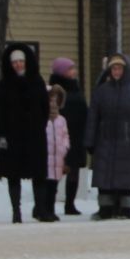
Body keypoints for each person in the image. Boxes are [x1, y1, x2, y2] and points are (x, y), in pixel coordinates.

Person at [0, 44, 54, 223]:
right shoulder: (4, 85)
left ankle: (41, 209)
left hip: (34, 136)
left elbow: (44, 107)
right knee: (14, 175)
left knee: (39, 174)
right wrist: (1, 135)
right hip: (13, 137)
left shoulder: (37, 82)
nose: (18, 65)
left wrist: (39, 126)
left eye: (21, 61)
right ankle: (16, 211)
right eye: (15, 62)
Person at [87, 54, 130, 219]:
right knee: (105, 177)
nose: (116, 71)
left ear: (126, 70)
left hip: (128, 141)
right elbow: (93, 116)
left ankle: (126, 208)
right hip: (105, 140)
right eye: (113, 68)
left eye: (119, 68)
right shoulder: (101, 91)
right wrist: (90, 140)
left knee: (126, 178)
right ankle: (105, 208)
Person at [48, 57, 89, 217]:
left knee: (74, 170)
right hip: (59, 135)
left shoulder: (76, 88)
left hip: (77, 135)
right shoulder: (54, 89)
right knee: (56, 170)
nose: (74, 72)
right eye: (70, 69)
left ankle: (70, 203)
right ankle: (48, 203)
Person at [45, 89, 71, 219]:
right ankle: (45, 209)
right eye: (51, 100)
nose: (53, 104)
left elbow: (65, 136)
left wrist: (64, 147)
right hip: (46, 157)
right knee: (47, 185)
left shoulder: (62, 120)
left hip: (58, 158)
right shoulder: (43, 119)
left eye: (56, 101)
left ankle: (51, 209)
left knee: (54, 186)